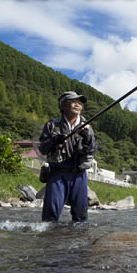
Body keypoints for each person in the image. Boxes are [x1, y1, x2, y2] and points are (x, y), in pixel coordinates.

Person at [38, 91, 98, 222]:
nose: (78, 105)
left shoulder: (87, 127)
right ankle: (49, 240)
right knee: (50, 216)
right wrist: (54, 140)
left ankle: (76, 240)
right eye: (73, 102)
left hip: (79, 175)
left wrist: (87, 137)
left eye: (80, 103)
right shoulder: (52, 125)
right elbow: (42, 148)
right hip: (57, 174)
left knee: (81, 217)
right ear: (63, 106)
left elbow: (92, 149)